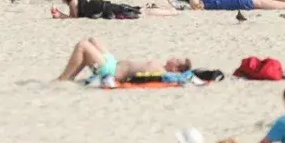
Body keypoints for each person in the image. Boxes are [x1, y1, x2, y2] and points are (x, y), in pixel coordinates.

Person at [54, 37, 191, 87]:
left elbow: (176, 79)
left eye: (177, 60)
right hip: (114, 62)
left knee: (82, 45)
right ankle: (71, 75)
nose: (174, 57)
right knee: (92, 40)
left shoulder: (162, 72)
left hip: (111, 71)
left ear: (175, 69)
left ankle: (63, 78)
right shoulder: (161, 65)